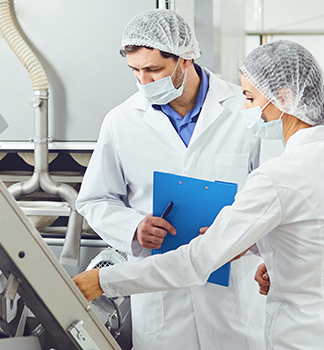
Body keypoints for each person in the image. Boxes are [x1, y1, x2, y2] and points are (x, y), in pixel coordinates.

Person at [74, 40, 324, 350]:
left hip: (306, 333)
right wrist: (275, 255)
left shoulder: (278, 176)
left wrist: (102, 281)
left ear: (283, 97)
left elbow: (196, 261)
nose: (245, 108)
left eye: (250, 98)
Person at [75, 9, 266, 350]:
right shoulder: (121, 121)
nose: (144, 81)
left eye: (154, 70)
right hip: (161, 300)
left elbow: (271, 197)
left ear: (185, 58)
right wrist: (133, 228)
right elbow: (94, 199)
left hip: (231, 291)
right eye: (135, 71)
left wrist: (244, 235)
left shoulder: (245, 110)